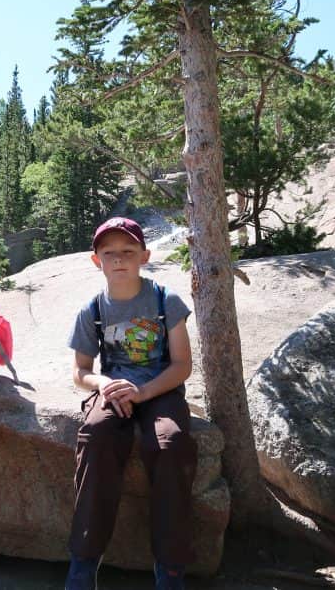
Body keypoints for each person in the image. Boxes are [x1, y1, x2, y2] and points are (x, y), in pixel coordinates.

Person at [65, 217, 198, 590]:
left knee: (170, 445)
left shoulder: (164, 301)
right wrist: (103, 383)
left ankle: (170, 567)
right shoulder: (91, 310)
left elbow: (182, 366)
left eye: (128, 252)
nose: (119, 260)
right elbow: (80, 371)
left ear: (144, 256)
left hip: (160, 390)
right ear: (97, 261)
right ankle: (84, 561)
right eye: (109, 253)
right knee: (96, 436)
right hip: (113, 391)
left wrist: (142, 393)